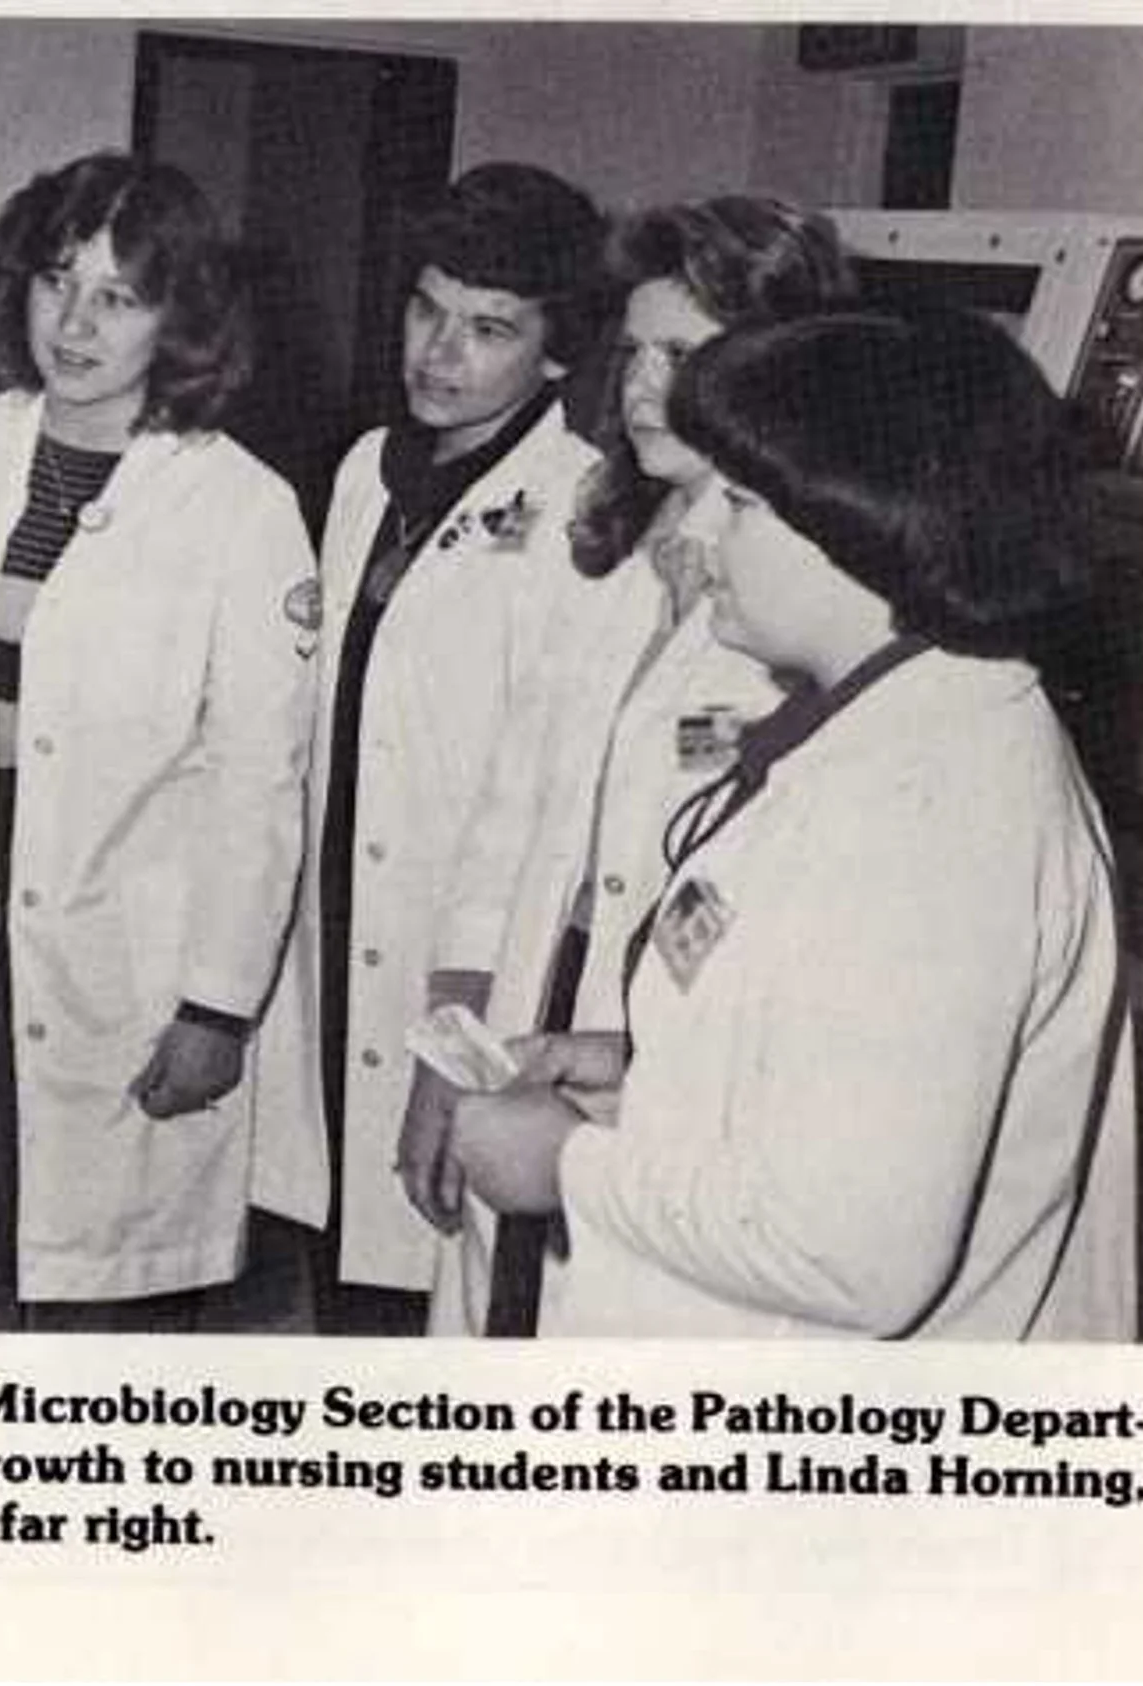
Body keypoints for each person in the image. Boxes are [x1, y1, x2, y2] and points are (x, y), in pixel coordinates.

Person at [446, 308, 1140, 1339]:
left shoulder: (935, 818)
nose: (693, 532)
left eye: (738, 501)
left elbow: (854, 1252)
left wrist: (567, 1164)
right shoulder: (879, 730)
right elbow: (840, 1072)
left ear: (863, 519)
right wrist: (651, 1070)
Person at [411, 196, 855, 1335]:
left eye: (686, 356)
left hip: (671, 1067)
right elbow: (507, 818)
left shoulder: (814, 596)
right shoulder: (600, 534)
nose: (645, 385)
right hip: (532, 1005)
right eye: (636, 351)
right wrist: (447, 1053)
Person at [0, 152, 321, 1330]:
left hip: (128, 968)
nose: (74, 323)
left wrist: (217, 1007)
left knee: (102, 1329)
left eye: (119, 296)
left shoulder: (238, 507)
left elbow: (259, 779)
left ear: (178, 319)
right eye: (55, 280)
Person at [250, 163, 607, 1335]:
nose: (440, 352)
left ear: (557, 353)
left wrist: (455, 1046)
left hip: (462, 968)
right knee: (337, 1268)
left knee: (427, 1304)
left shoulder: (582, 510)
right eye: (426, 310)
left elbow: (535, 809)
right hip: (339, 925)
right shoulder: (368, 468)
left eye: (489, 329)